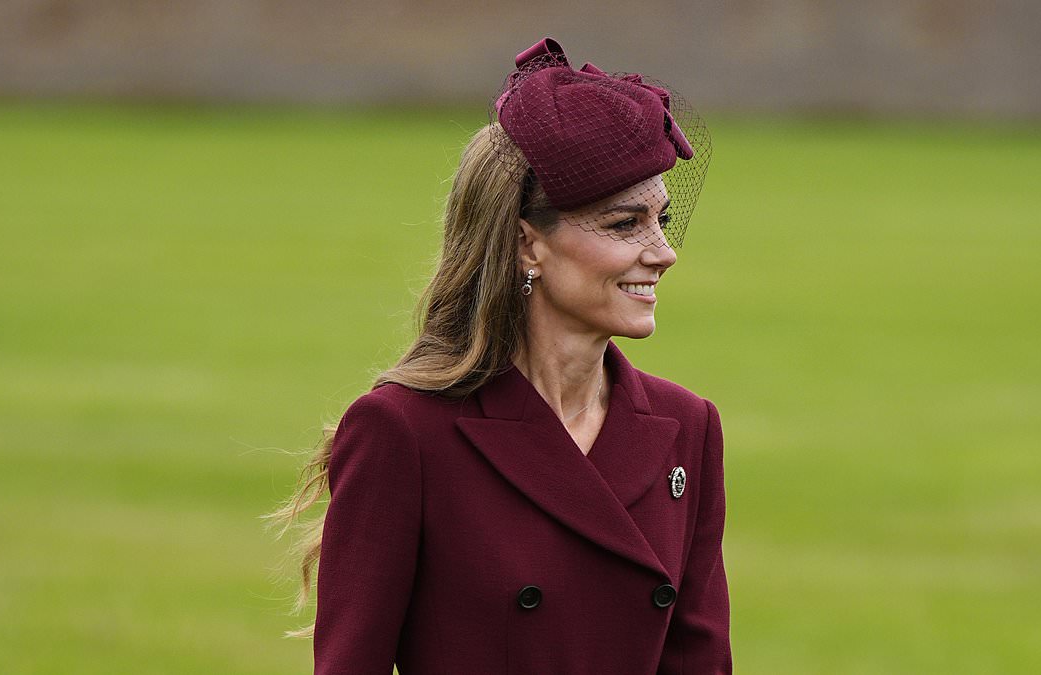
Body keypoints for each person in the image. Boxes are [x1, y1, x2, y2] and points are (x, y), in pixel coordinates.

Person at [270, 37, 731, 674]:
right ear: (525, 244)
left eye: (663, 220)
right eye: (625, 225)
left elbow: (700, 661)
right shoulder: (403, 433)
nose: (663, 251)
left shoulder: (689, 428)